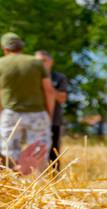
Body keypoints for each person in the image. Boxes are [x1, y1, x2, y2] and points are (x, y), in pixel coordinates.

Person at [0, 33, 58, 171]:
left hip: (10, 114)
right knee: (39, 152)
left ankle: (11, 185)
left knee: (8, 152)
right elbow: (49, 91)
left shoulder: (1, 63)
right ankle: (40, 187)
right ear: (21, 47)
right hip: (37, 113)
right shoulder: (36, 63)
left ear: (5, 48)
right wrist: (49, 113)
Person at [34, 51, 68, 171]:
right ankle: (35, 182)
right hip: (34, 121)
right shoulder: (30, 78)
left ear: (51, 62)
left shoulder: (58, 78)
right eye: (37, 61)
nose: (40, 64)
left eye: (43, 61)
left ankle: (54, 181)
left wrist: (48, 88)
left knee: (53, 151)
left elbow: (62, 98)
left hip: (54, 120)